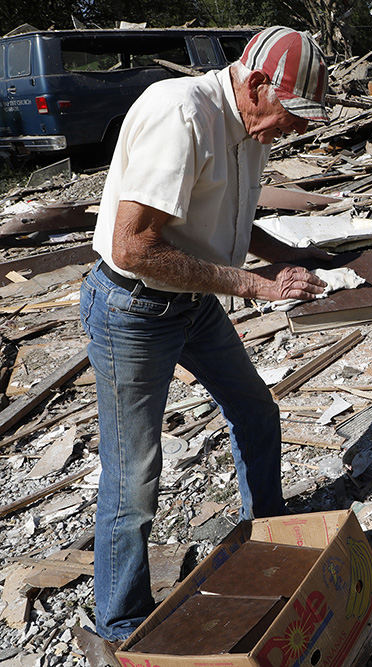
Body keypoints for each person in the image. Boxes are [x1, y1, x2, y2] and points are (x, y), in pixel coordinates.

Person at [79, 26, 331, 643]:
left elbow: (233, 223)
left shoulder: (248, 125)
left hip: (188, 301)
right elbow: (132, 247)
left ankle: (267, 532)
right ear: (256, 82)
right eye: (291, 116)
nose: (293, 130)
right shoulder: (181, 115)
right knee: (133, 477)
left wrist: (292, 258)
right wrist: (257, 287)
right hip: (132, 308)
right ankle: (120, 625)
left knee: (254, 409)